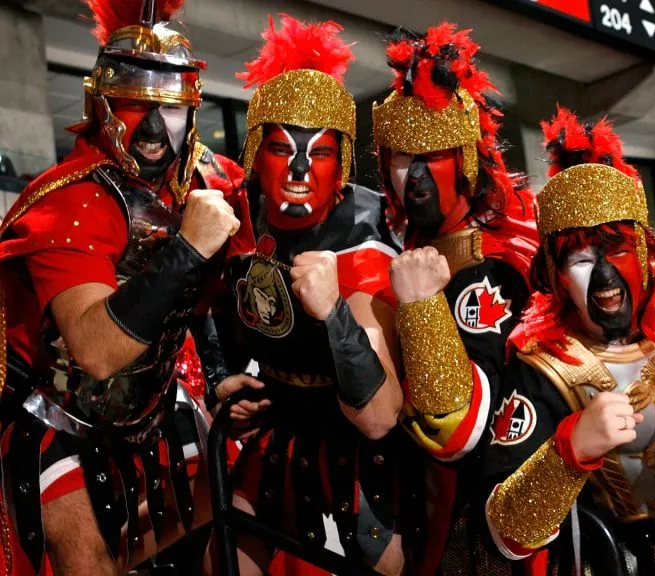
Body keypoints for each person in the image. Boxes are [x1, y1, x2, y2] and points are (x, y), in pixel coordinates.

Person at [0, 0, 248, 574]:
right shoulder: (70, 200)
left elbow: (244, 295)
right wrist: (188, 248)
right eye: (135, 105)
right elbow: (95, 350)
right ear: (101, 104)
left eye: (171, 107)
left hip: (159, 402)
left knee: (243, 493)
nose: (156, 129)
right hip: (55, 413)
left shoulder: (207, 179)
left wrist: (231, 376)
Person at [481, 108, 655, 573]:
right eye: (578, 259)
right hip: (617, 558)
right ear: (554, 276)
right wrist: (567, 452)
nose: (604, 278)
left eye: (617, 250)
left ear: (647, 251)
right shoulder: (545, 367)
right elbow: (503, 533)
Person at [203, 15, 405, 575]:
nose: (296, 168)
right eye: (279, 147)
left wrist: (335, 312)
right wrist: (221, 378)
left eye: (317, 152)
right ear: (252, 153)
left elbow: (379, 416)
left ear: (342, 161)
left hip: (354, 443)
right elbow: (206, 307)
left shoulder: (361, 230)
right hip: (274, 425)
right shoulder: (232, 210)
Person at [373, 22, 539, 573]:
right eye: (400, 158)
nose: (414, 173)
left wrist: (421, 307)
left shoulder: (495, 264)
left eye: (434, 154)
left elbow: (457, 429)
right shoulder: (406, 244)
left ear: (466, 158)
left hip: (483, 525)